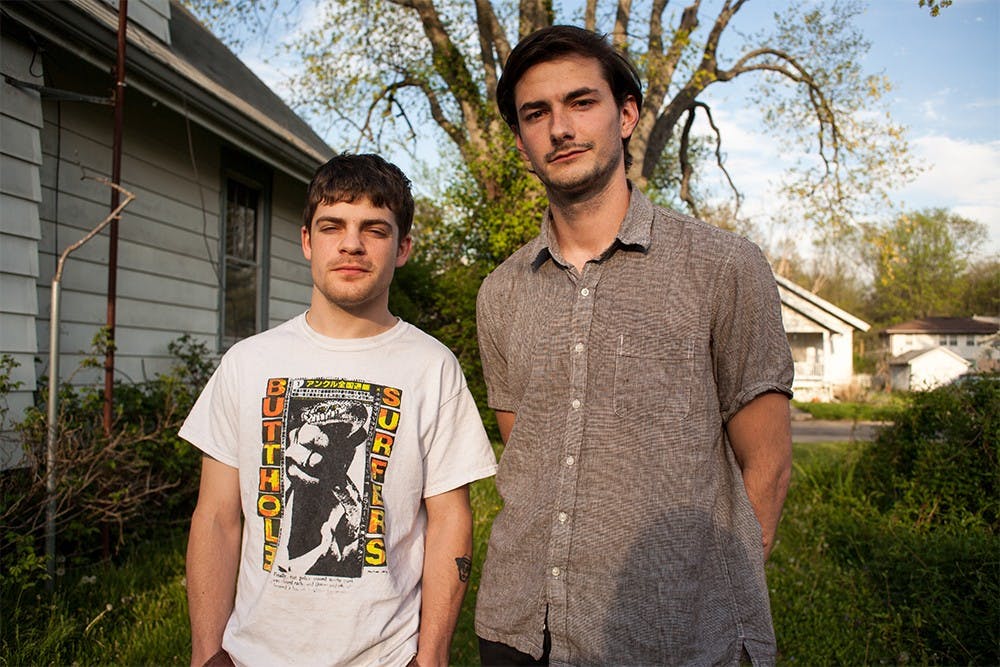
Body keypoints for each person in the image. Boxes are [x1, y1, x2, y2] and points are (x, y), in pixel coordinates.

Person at [474, 25, 794, 667]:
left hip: (676, 635)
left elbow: (769, 466)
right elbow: (526, 445)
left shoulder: (723, 266)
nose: (559, 127)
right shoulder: (501, 291)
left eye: (580, 102)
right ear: (520, 140)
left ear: (626, 114)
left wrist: (693, 598)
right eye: (536, 113)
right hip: (520, 627)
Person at [183, 153, 498, 667]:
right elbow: (217, 517)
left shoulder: (432, 367)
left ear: (403, 248)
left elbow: (449, 521)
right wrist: (205, 652)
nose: (352, 243)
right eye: (333, 226)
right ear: (308, 240)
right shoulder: (247, 363)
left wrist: (434, 655)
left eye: (375, 229)